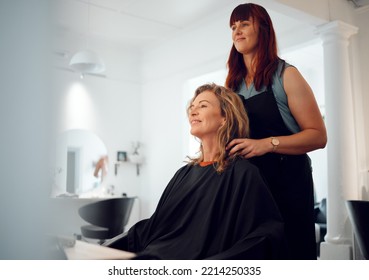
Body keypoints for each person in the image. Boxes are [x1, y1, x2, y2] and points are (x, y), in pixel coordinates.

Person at [105, 83, 285, 259]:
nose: (192, 111)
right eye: (192, 107)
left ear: (225, 117)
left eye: (203, 105)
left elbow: (263, 235)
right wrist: (105, 249)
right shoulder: (183, 174)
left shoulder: (243, 174)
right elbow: (154, 226)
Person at [225, 3, 327, 260]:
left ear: (263, 28)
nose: (237, 31)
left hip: (289, 184)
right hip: (251, 187)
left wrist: (265, 144)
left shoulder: (287, 75)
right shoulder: (232, 86)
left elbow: (318, 135)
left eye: (244, 24)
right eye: (233, 27)